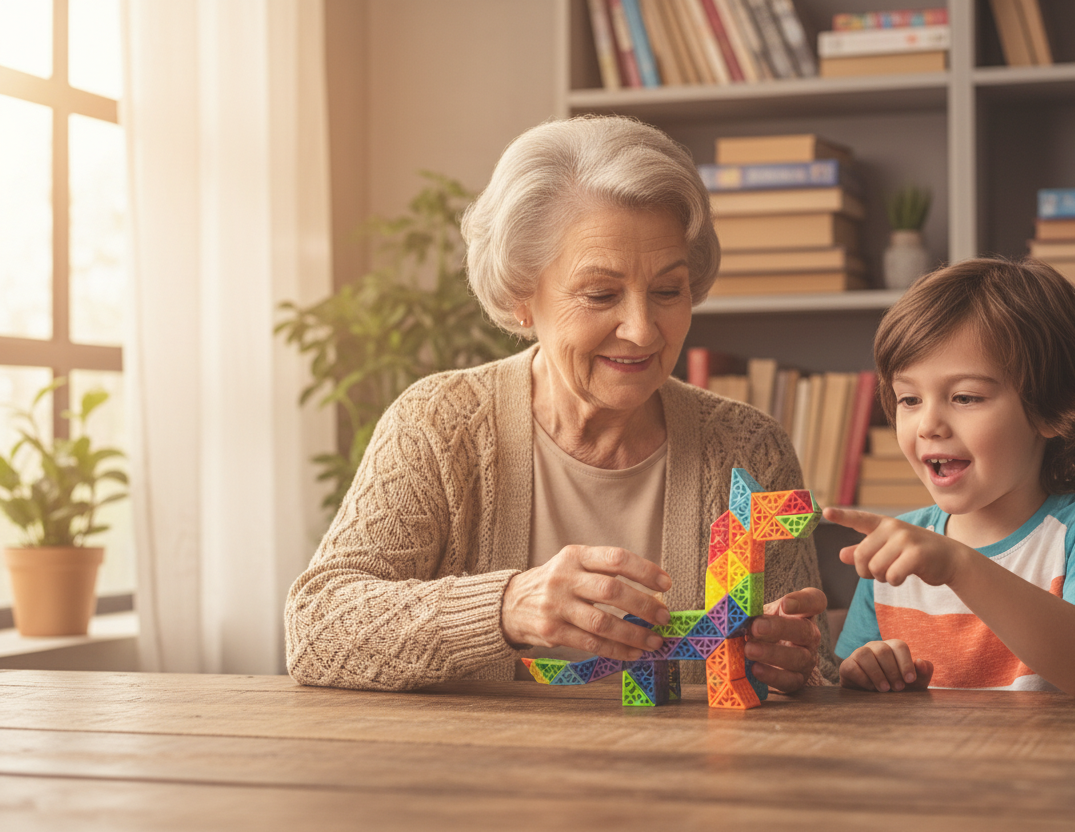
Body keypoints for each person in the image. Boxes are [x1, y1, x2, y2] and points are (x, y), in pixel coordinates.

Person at [285, 115, 836, 692]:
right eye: (601, 294)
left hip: (685, 779)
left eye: (669, 291)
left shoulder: (749, 448)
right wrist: (506, 606)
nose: (642, 330)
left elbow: (812, 678)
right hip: (481, 775)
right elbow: (317, 631)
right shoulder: (437, 422)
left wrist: (792, 669)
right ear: (522, 296)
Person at [826, 258, 1075, 699]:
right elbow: (852, 687)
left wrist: (958, 565)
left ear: (1052, 409)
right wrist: (864, 671)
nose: (928, 424)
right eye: (909, 399)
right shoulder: (894, 551)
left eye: (965, 397)